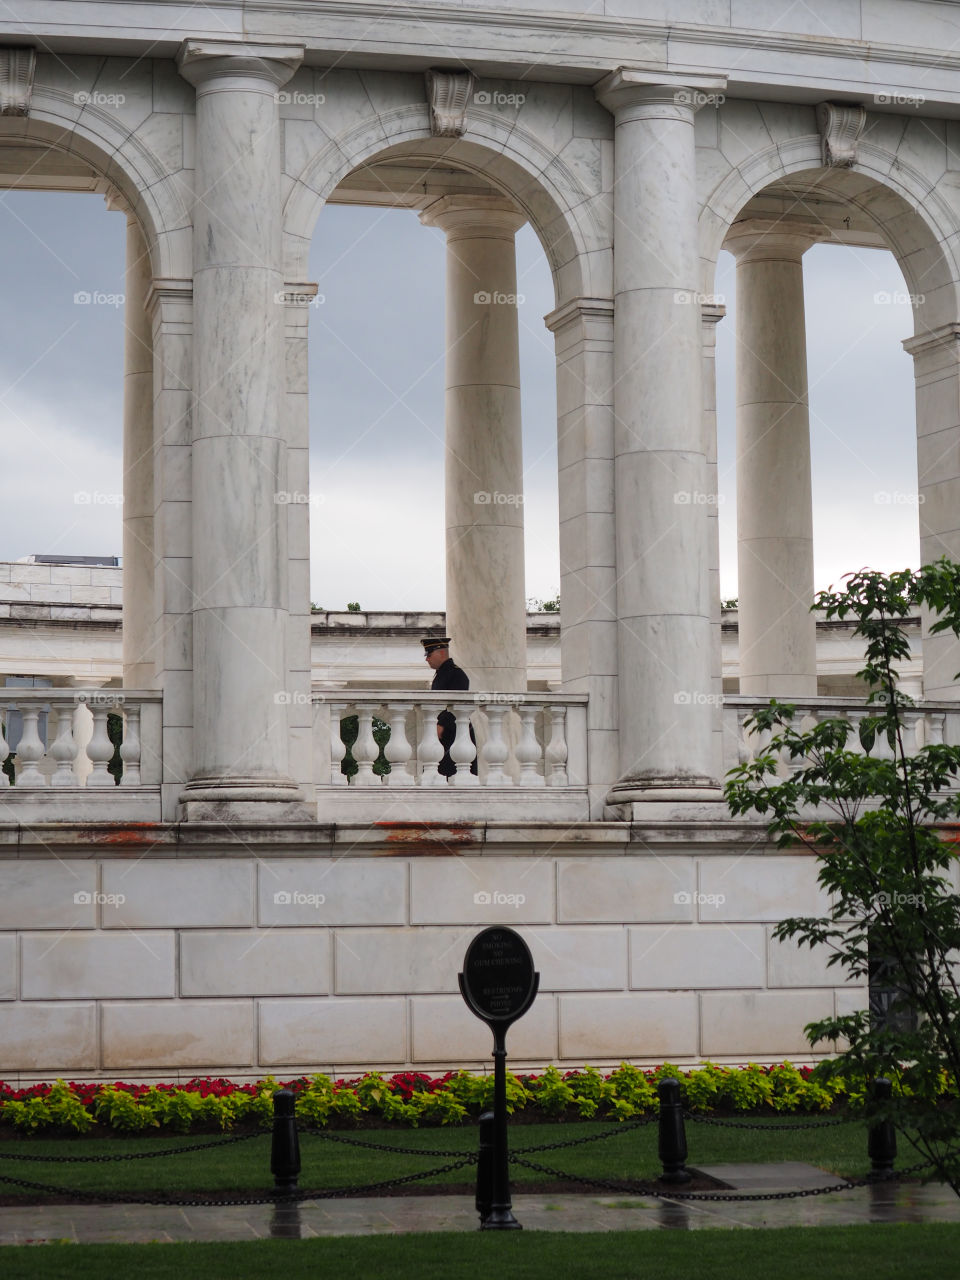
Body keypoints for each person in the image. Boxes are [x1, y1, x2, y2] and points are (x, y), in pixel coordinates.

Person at [421, 637, 476, 777]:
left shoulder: (455, 673)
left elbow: (456, 704)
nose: (427, 659)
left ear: (441, 653)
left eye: (429, 654)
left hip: (454, 733)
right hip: (445, 733)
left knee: (450, 773)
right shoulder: (443, 673)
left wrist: (441, 725)